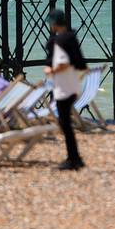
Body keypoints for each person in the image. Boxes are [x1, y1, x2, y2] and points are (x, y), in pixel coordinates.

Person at [43, 9, 87, 170]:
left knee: (65, 123)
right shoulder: (71, 37)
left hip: (63, 87)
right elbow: (78, 62)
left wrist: (50, 71)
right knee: (66, 122)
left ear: (54, 24)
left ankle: (73, 159)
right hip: (74, 84)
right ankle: (75, 158)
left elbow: (63, 63)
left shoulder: (59, 41)